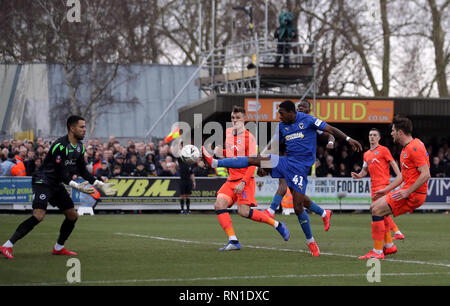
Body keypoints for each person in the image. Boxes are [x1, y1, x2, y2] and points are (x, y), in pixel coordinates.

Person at [203, 101, 362, 256]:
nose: (279, 116)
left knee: (298, 206)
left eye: (282, 114)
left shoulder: (307, 120)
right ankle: (216, 162)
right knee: (254, 159)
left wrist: (348, 139)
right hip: (285, 162)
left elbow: (330, 129)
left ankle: (311, 240)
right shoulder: (282, 126)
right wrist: (264, 165)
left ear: (292, 113)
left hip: (300, 167)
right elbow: (275, 146)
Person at [0, 115, 116, 259]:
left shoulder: (80, 147)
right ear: (72, 128)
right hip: (43, 181)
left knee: (72, 215)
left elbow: (82, 170)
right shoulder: (60, 145)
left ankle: (58, 248)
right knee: (38, 216)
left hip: (56, 184)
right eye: (82, 127)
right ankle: (7, 245)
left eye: (85, 127)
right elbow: (60, 172)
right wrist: (77, 186)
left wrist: (100, 184)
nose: (85, 130)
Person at [206, 105, 290, 251]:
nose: (235, 120)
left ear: (244, 119)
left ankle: (277, 225)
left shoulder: (249, 138)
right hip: (231, 179)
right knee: (219, 204)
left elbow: (252, 162)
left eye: (238, 118)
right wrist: (220, 152)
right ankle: (233, 240)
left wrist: (243, 182)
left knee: (243, 212)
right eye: (233, 118)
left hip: (245, 180)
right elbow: (233, 155)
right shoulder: (228, 133)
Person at [358, 115, 430, 259]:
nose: (391, 133)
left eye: (393, 131)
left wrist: (407, 192)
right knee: (375, 208)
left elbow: (426, 174)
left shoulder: (414, 147)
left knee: (377, 209)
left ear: (400, 132)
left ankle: (378, 252)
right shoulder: (406, 149)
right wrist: (386, 190)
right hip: (408, 191)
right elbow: (403, 175)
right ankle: (389, 247)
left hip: (413, 194)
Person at [263, 100, 332, 233]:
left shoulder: (310, 122)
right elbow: (274, 143)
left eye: (303, 107)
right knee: (296, 197)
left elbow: (329, 132)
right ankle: (324, 213)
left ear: (309, 110)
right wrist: (264, 161)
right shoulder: (285, 124)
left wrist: (330, 141)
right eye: (298, 107)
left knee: (296, 200)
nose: (300, 109)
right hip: (287, 159)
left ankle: (271, 210)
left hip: (302, 163)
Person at [351, 128, 405, 247]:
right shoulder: (366, 154)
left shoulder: (384, 150)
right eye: (370, 135)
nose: (372, 137)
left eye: (375, 135)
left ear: (379, 138)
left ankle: (394, 236)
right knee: (382, 215)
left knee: (379, 213)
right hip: (374, 187)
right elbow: (365, 170)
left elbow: (393, 163)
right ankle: (391, 242)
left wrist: (400, 177)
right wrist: (359, 176)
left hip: (384, 186)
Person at [177, 144, 196, 214]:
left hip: (188, 181)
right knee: (182, 196)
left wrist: (194, 182)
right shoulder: (180, 162)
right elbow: (179, 153)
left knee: (188, 196)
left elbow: (192, 174)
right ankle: (182, 209)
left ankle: (188, 210)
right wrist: (181, 147)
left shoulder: (189, 163)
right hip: (182, 181)